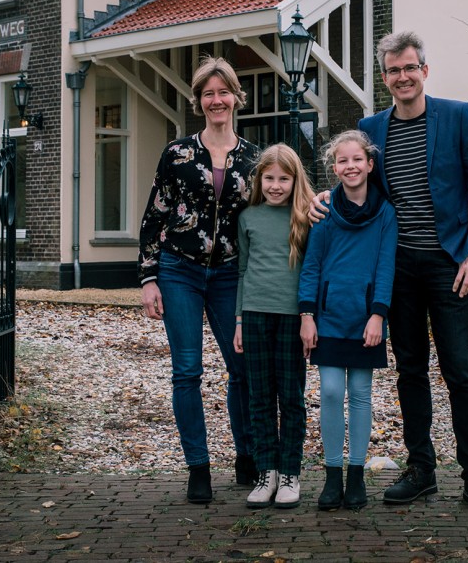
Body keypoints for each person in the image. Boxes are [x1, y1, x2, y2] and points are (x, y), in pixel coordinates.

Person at [311, 31, 468, 514]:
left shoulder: (457, 116)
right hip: (399, 268)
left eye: (410, 67)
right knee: (410, 370)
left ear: (424, 71)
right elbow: (360, 183)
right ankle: (421, 470)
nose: (403, 77)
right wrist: (326, 196)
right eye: (393, 70)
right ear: (385, 78)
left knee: (460, 368)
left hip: (450, 264)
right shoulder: (371, 128)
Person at [138, 55, 259, 504]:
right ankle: (198, 467)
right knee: (187, 371)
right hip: (180, 270)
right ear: (199, 101)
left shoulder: (254, 157)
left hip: (230, 273)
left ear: (236, 97)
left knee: (242, 368)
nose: (216, 100)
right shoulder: (177, 154)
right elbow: (154, 216)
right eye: (208, 93)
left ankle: (247, 456)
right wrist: (149, 278)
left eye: (223, 91)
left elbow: (276, 210)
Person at [299, 130, 398, 510]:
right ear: (335, 167)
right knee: (329, 392)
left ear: (370, 164)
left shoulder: (385, 213)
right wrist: (307, 315)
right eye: (343, 160)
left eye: (357, 159)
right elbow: (311, 265)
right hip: (328, 318)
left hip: (366, 320)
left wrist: (378, 315)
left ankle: (356, 475)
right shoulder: (324, 210)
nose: (351, 166)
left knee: (359, 394)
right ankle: (331, 475)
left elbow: (386, 266)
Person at [232, 143, 316, 509]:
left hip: (291, 318)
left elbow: (313, 270)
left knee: (291, 398)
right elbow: (242, 270)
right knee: (260, 397)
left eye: (284, 179)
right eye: (269, 178)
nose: (276, 186)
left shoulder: (307, 217)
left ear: (295, 181)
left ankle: (290, 473)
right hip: (254, 314)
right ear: (259, 180)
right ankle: (267, 472)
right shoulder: (248, 217)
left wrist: (309, 318)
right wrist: (238, 320)